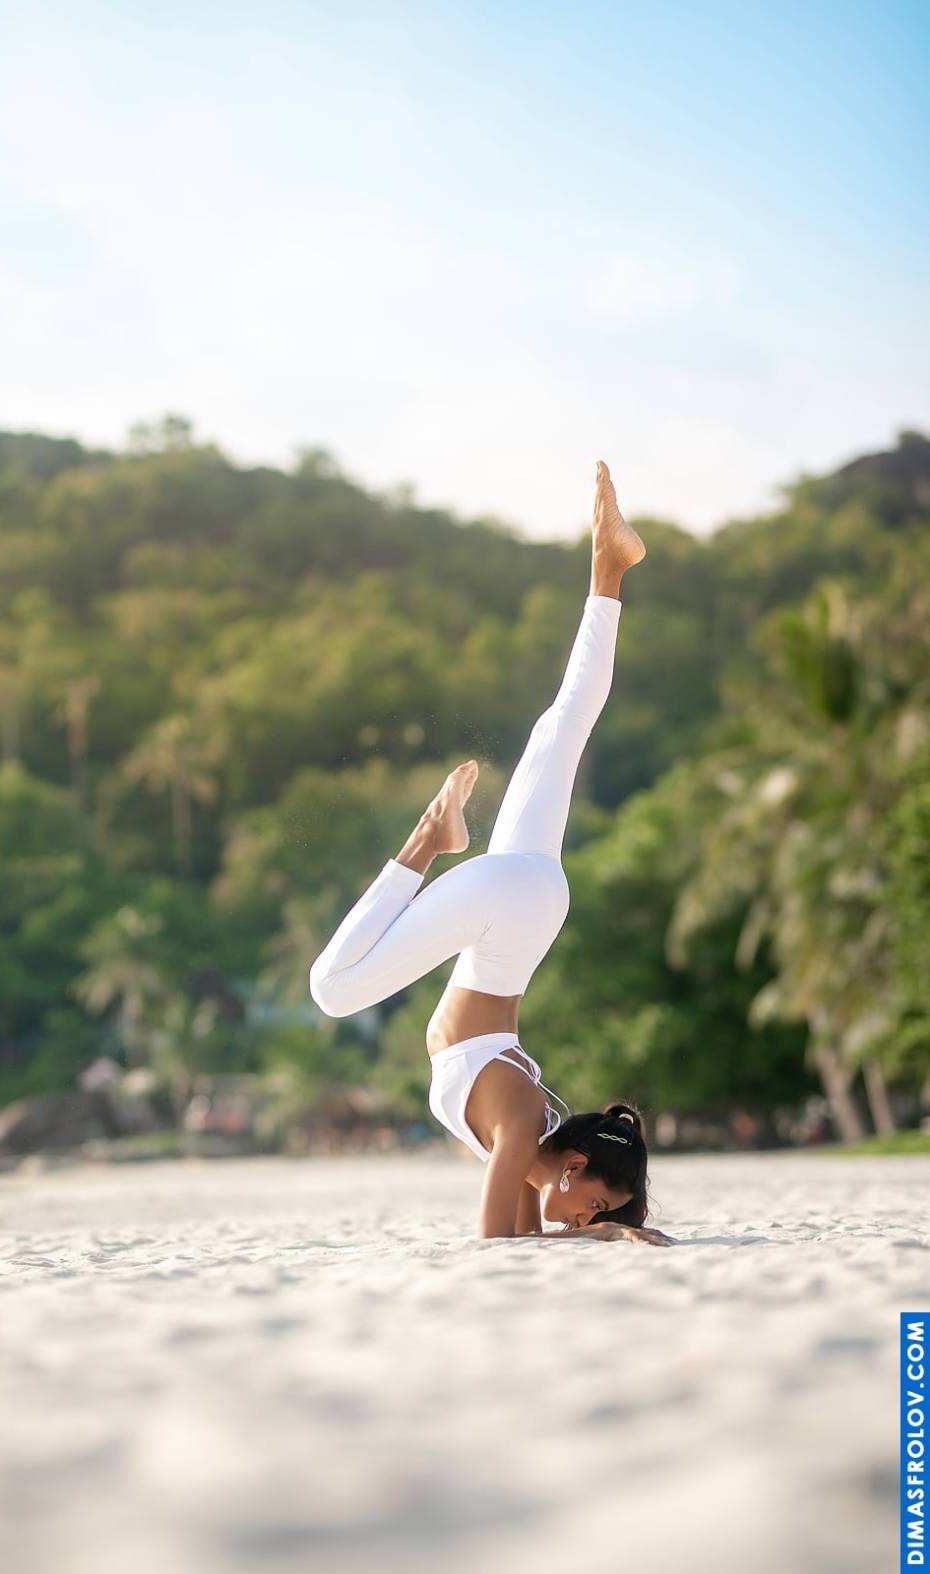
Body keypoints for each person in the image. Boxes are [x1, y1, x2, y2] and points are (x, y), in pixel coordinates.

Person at [310, 462, 675, 1245]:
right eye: (602, 1205)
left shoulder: (533, 1139)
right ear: (576, 1167)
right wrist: (606, 1236)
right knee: (333, 991)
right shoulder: (516, 1127)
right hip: (508, 909)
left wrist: (606, 1236)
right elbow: (496, 1249)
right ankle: (428, 841)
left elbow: (525, 1236)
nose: (592, 1216)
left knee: (561, 729)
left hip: (534, 903)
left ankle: (607, 570)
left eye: (601, 1213)